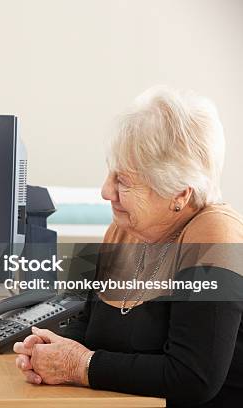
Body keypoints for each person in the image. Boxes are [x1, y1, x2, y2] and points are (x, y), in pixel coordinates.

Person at [13, 87, 243, 407]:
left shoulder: (218, 235)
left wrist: (80, 366)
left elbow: (193, 378)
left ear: (179, 194)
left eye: (124, 181)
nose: (106, 191)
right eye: (111, 172)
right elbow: (85, 325)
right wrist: (46, 350)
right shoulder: (125, 228)